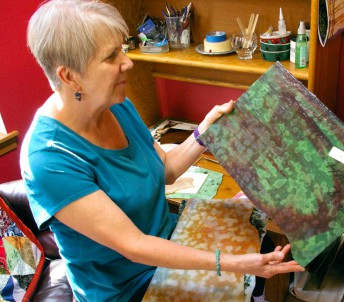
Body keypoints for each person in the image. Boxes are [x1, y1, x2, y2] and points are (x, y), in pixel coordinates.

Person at [21, 1, 304, 301]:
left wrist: (204, 132)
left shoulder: (115, 105)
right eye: (110, 56)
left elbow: (166, 170)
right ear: (69, 76)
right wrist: (230, 264)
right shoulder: (48, 158)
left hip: (170, 243)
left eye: (122, 48)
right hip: (124, 289)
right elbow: (134, 245)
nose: (127, 62)